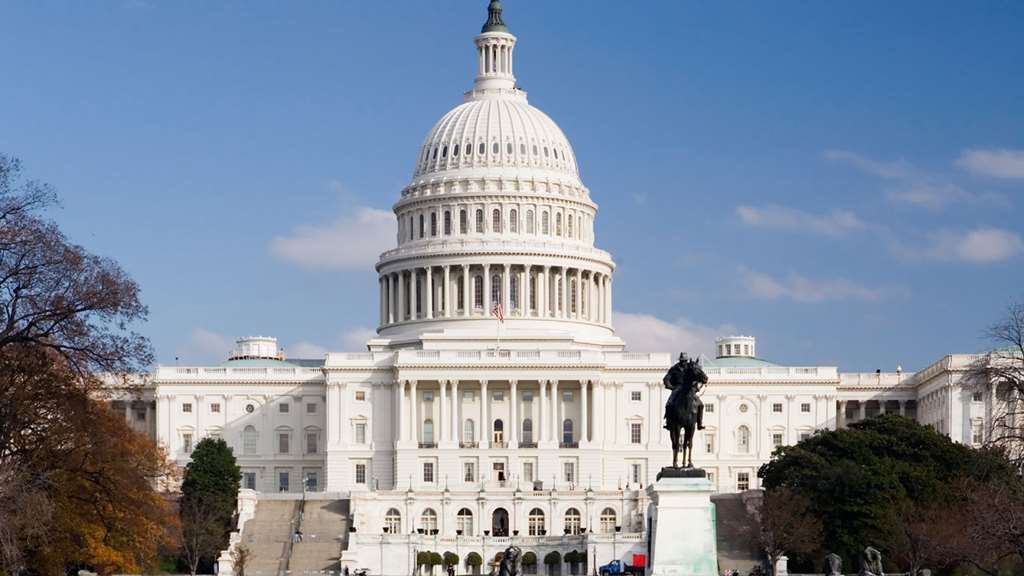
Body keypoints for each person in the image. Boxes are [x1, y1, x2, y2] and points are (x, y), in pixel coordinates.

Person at [663, 352, 705, 430]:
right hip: (677, 388)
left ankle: (699, 423)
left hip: (689, 388)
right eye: (682, 361)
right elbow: (666, 379)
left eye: (685, 361)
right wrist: (670, 386)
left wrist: (696, 385)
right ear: (680, 360)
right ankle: (668, 422)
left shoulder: (690, 368)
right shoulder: (674, 369)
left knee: (700, 404)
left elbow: (697, 375)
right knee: (669, 403)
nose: (684, 362)